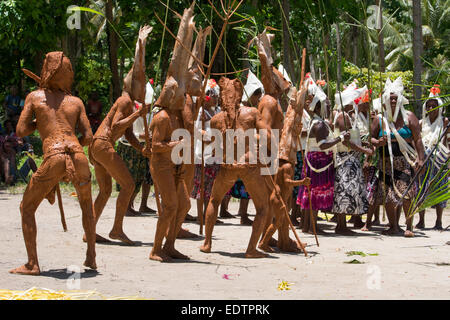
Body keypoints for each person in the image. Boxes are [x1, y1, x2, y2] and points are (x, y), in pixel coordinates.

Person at [10, 51, 96, 275]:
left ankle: (32, 264)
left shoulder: (35, 97)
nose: (72, 75)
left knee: (26, 207)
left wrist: (40, 123)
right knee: (87, 205)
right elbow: (88, 137)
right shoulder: (76, 102)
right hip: (78, 155)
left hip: (54, 156)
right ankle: (92, 256)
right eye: (69, 71)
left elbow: (21, 130)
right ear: (60, 74)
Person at [88, 26, 151, 245]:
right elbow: (116, 127)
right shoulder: (125, 101)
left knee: (105, 191)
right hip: (104, 144)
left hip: (98, 147)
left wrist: (142, 149)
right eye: (142, 86)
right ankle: (116, 229)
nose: (143, 91)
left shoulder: (128, 102)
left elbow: (129, 135)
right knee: (129, 185)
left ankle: (90, 231)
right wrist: (139, 114)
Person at [370, 77, 425, 237]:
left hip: (404, 162)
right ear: (385, 100)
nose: (393, 101)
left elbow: (418, 139)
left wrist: (420, 159)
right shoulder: (380, 119)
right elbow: (371, 138)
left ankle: (408, 226)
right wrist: (378, 142)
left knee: (406, 194)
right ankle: (393, 226)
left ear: (400, 99)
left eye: (395, 99)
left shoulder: (409, 117)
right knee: (388, 196)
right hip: (385, 162)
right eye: (390, 99)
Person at [297, 73, 349, 234]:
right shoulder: (319, 124)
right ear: (318, 107)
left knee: (311, 192)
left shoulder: (320, 122)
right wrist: (340, 138)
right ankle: (312, 226)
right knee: (314, 193)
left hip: (318, 160)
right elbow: (323, 145)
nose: (328, 106)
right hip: (318, 161)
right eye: (325, 104)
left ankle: (307, 226)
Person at [331, 84, 373, 234]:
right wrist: (364, 150)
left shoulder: (349, 116)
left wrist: (365, 143)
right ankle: (341, 226)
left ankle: (343, 225)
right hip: (345, 160)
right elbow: (345, 141)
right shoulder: (343, 116)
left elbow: (353, 138)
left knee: (349, 192)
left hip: (352, 160)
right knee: (343, 192)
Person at [416, 85, 449, 230]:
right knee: (422, 189)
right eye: (428, 106)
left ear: (439, 107)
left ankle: (439, 221)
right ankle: (421, 220)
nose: (431, 108)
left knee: (439, 188)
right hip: (425, 160)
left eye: (433, 106)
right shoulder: (422, 123)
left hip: (440, 159)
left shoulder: (445, 122)